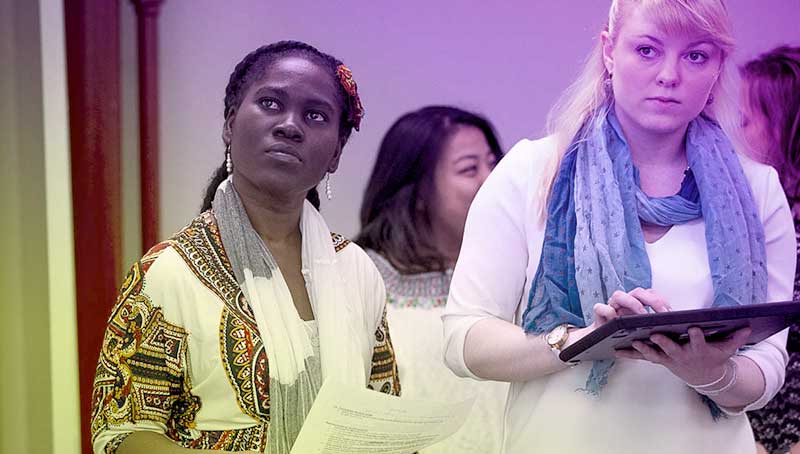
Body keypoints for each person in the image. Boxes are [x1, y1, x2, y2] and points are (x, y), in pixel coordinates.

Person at [442, 1, 796, 453]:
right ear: (609, 51)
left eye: (696, 56)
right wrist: (579, 341)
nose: (670, 75)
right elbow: (463, 339)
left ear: (718, 67)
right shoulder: (532, 171)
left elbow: (767, 368)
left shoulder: (757, 189)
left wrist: (711, 372)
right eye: (647, 50)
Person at [90, 40, 400, 454]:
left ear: (336, 153)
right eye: (271, 103)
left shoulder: (355, 269)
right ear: (230, 124)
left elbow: (383, 409)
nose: (291, 125)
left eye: (315, 115)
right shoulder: (170, 271)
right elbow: (122, 431)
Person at [355, 105, 508, 453]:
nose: (492, 178)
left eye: (494, 163)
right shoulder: (359, 279)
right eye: (470, 169)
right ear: (419, 191)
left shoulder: (523, 273)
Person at [741, 45, 800, 454]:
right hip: (755, 416)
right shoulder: (754, 209)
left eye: (746, 119)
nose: (736, 130)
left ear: (783, 125)